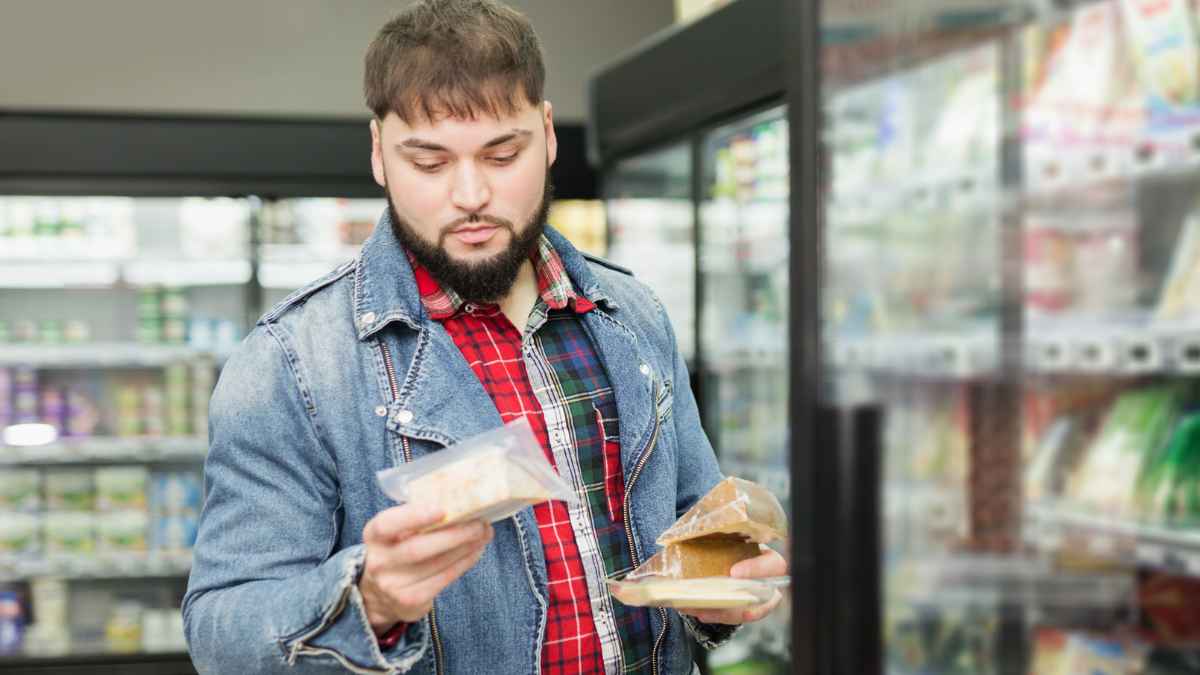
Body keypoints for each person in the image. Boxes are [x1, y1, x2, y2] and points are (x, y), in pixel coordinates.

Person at [181, 0, 786, 672]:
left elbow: (691, 531)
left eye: (502, 153)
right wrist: (367, 600)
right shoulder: (292, 363)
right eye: (430, 162)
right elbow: (219, 633)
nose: (470, 194)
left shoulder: (633, 313)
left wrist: (721, 588)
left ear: (549, 134)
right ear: (380, 154)